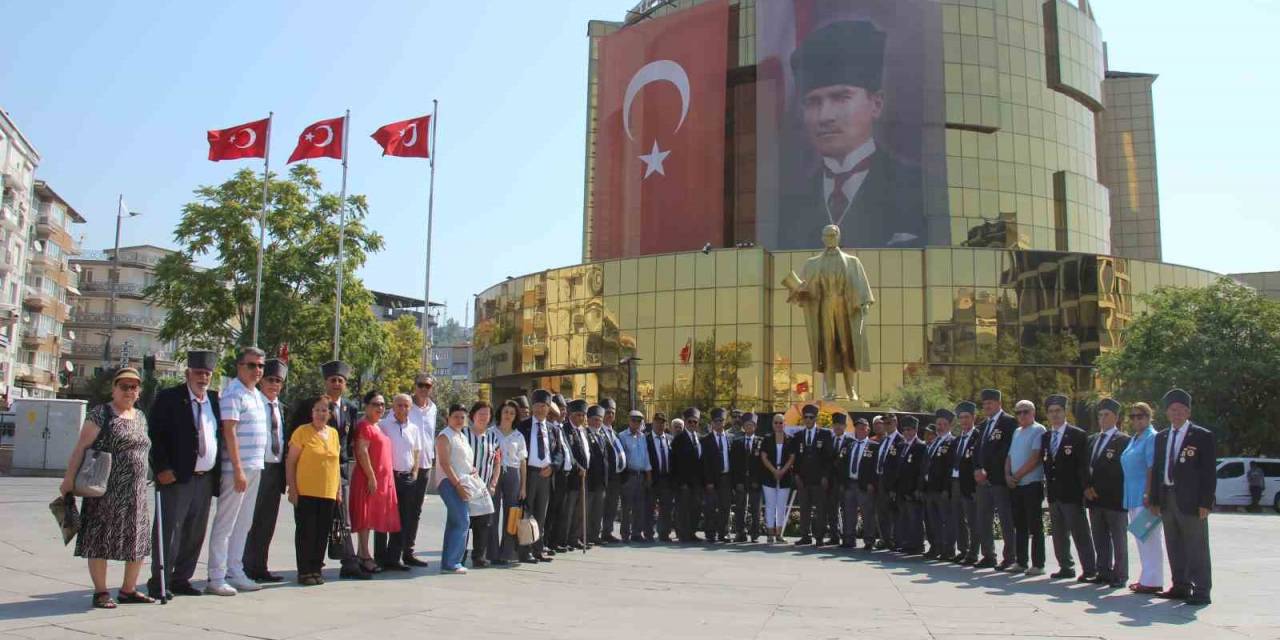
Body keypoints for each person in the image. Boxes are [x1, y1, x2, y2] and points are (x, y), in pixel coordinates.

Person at [776, 20, 926, 249]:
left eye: (840, 98)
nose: (825, 116)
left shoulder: (917, 186)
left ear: (876, 104)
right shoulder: (791, 205)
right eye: (813, 102)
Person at [60, 368, 153, 609]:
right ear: (114, 388)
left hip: (135, 492)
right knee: (99, 539)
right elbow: (81, 447)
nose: (129, 391)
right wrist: (68, 479)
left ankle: (128, 590)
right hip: (104, 490)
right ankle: (101, 592)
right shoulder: (101, 413)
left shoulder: (140, 416)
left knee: (137, 539)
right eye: (124, 386)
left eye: (134, 387)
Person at [145, 351, 221, 599]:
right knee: (170, 530)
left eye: (207, 374)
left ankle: (182, 579)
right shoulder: (169, 398)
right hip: (176, 477)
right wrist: (161, 468)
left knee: (194, 532)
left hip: (205, 477)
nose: (203, 378)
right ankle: (160, 582)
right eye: (198, 373)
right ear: (188, 373)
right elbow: (155, 435)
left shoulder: (214, 400)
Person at [290, 360, 367, 580]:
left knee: (336, 521)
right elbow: (293, 446)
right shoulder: (308, 407)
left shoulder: (350, 408)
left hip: (337, 474)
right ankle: (308, 568)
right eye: (332, 380)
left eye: (340, 380)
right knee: (308, 526)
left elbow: (348, 442)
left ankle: (341, 561)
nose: (336, 383)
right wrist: (292, 483)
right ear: (325, 382)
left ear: (345, 384)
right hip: (308, 478)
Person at [206, 347, 269, 596]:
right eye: (252, 365)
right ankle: (216, 575)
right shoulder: (233, 393)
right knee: (226, 523)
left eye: (260, 366)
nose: (257, 370)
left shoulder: (256, 395)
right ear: (239, 366)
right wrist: (238, 468)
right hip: (237, 468)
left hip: (255, 465)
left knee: (244, 523)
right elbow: (229, 431)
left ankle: (235, 570)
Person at [1150, 389, 1216, 606]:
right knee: (1174, 543)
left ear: (1188, 412)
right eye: (1172, 410)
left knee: (1196, 546)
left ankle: (1202, 590)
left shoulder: (1201, 436)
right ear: (1167, 413)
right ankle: (1180, 585)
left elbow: (1208, 473)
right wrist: (1155, 499)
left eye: (1181, 410)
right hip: (1167, 496)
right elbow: (1157, 469)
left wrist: (1206, 502)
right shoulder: (1161, 437)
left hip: (1192, 500)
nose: (1176, 413)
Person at [1041, 394, 1096, 581]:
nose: (1054, 414)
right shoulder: (1046, 436)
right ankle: (1065, 566)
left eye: (1058, 411)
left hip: (1072, 492)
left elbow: (1083, 465)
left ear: (1065, 412)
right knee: (1058, 534)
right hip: (1054, 493)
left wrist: (1086, 486)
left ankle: (1089, 569)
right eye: (1051, 411)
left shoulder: (1077, 435)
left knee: (1080, 533)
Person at [286, 396, 341, 586]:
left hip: (328, 492)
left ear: (330, 414)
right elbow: (291, 462)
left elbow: (336, 464)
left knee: (322, 533)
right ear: (311, 413)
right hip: (306, 491)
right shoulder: (302, 432)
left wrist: (338, 490)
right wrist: (292, 488)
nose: (320, 414)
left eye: (324, 410)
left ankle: (316, 569)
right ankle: (304, 571)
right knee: (306, 533)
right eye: (317, 410)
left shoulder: (333, 433)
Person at [243, 358, 288, 583]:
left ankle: (260, 566)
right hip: (255, 467)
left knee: (267, 522)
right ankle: (242, 566)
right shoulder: (253, 403)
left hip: (275, 470)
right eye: (270, 380)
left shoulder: (282, 408)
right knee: (248, 520)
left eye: (278, 381)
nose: (274, 384)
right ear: (261, 381)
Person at [349, 391, 399, 575]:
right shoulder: (364, 426)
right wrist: (371, 476)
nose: (380, 408)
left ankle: (362, 554)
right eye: (375, 404)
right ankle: (364, 556)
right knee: (364, 517)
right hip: (367, 479)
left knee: (370, 518)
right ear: (366, 406)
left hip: (380, 480)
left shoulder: (378, 426)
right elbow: (361, 452)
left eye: (382, 404)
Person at [1085, 398, 1131, 589]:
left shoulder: (1123, 440)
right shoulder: (1092, 439)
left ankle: (1120, 575)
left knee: (1118, 539)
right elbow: (1084, 466)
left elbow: (1120, 470)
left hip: (1114, 498)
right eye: (1100, 415)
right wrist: (1087, 487)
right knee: (1099, 537)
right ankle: (1103, 571)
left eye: (1107, 415)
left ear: (1116, 417)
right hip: (1094, 498)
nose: (1102, 418)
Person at [374, 394, 422, 571]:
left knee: (403, 519)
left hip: (407, 477)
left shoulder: (414, 428)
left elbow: (416, 451)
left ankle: (394, 558)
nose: (402, 409)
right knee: (382, 518)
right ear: (393, 407)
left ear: (411, 408)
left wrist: (415, 472)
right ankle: (379, 559)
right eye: (399, 405)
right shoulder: (383, 425)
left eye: (406, 406)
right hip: (388, 477)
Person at [1120, 401, 1164, 594]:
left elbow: (1151, 467)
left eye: (1141, 416)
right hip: (1132, 494)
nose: (1136, 420)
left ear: (1149, 417)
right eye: (1133, 416)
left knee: (1150, 539)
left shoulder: (1151, 437)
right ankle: (1146, 577)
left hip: (1144, 495)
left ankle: (1154, 581)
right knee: (1141, 537)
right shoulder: (1135, 438)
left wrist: (1149, 493)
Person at [973, 389, 1017, 570]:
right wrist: (977, 469)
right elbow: (977, 450)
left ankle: (1010, 557)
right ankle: (988, 555)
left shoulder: (1009, 422)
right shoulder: (983, 426)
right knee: (983, 518)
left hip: (999, 479)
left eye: (990, 403)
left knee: (1006, 519)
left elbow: (1006, 450)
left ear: (999, 403)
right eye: (984, 404)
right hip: (983, 481)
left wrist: (988, 471)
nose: (987, 406)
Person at [1005, 400, 1047, 575]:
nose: (1022, 415)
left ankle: (1038, 564)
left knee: (1035, 526)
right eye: (1018, 412)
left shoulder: (1039, 430)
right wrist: (1007, 475)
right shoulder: (1016, 432)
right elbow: (1009, 456)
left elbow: (1035, 458)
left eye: (1025, 411)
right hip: (1016, 485)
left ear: (1033, 412)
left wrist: (1016, 476)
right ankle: (1021, 562)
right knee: (1019, 525)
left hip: (1031, 483)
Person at [514, 390, 556, 562]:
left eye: (543, 406)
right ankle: (525, 551)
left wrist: (553, 466)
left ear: (548, 408)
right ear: (532, 407)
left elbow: (559, 452)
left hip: (546, 475)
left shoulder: (552, 429)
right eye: (537, 406)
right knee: (526, 513)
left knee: (541, 514)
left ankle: (538, 549)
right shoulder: (522, 426)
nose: (540, 409)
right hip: (528, 474)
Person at [435, 404, 476, 574]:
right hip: (449, 482)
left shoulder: (462, 436)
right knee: (462, 521)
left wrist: (472, 470)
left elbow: (463, 461)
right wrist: (457, 485)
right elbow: (445, 463)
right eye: (456, 417)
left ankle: (448, 562)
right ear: (448, 418)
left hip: (462, 481)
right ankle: (453, 563)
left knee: (454, 522)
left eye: (462, 417)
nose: (459, 420)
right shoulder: (445, 436)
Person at [402, 373, 436, 568]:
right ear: (414, 386)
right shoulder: (406, 405)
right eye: (421, 385)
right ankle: (394, 552)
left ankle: (409, 551)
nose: (424, 389)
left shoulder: (433, 408)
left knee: (416, 511)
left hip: (425, 465)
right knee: (402, 510)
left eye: (428, 386)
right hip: (406, 465)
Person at [464, 402, 502, 567]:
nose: (483, 417)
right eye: (480, 413)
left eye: (487, 414)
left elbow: (497, 462)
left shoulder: (493, 438)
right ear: (473, 415)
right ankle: (459, 555)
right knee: (464, 523)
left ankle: (479, 557)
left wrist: (493, 483)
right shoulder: (463, 434)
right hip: (465, 487)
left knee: (483, 524)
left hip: (484, 488)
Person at [792, 404, 833, 546]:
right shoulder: (798, 436)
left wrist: (825, 476)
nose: (808, 420)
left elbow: (829, 458)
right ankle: (805, 536)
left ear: (815, 418)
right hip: (803, 479)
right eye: (806, 417)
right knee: (804, 508)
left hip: (819, 479)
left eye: (811, 417)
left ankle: (819, 537)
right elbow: (795, 458)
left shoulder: (825, 434)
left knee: (820, 510)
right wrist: (796, 475)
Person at [494, 400, 527, 564]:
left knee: (511, 514)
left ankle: (507, 553)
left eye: (512, 413)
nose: (508, 415)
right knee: (492, 512)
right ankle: (491, 552)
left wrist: (523, 487)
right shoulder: (491, 432)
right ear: (500, 413)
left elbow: (522, 462)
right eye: (506, 412)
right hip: (494, 473)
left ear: (515, 417)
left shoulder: (518, 436)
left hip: (513, 474)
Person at [839, 417, 878, 550]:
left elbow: (875, 467)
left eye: (863, 427)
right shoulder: (849, 444)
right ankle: (849, 539)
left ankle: (869, 540)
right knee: (848, 513)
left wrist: (872, 483)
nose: (860, 430)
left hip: (864, 485)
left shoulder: (874, 446)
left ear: (868, 430)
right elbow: (842, 463)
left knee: (867, 513)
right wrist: (843, 482)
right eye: (857, 427)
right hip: (850, 483)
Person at [923, 409, 956, 559]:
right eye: (938, 424)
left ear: (949, 426)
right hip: (930, 488)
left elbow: (950, 467)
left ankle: (948, 549)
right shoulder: (934, 442)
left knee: (946, 520)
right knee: (932, 521)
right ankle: (935, 547)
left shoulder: (952, 442)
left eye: (943, 424)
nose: (940, 427)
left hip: (942, 488)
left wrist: (946, 488)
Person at [949, 402, 979, 564]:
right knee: (958, 518)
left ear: (974, 417)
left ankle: (973, 553)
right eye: (961, 418)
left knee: (972, 519)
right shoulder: (957, 439)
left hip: (969, 483)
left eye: (967, 417)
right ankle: (963, 550)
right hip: (955, 482)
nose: (964, 421)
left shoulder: (977, 437)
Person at [760, 413, 796, 543]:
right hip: (769, 475)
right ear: (772, 424)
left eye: (781, 423)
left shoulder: (790, 439)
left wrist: (782, 471)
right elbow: (764, 457)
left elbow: (792, 457)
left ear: (785, 424)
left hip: (785, 475)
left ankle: (779, 535)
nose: (778, 425)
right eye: (776, 422)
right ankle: (770, 534)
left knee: (781, 506)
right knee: (770, 505)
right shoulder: (767, 439)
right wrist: (774, 471)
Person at [893, 416, 927, 555]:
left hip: (912, 489)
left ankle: (917, 545)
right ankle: (907, 543)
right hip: (901, 489)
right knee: (904, 517)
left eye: (909, 429)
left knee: (915, 518)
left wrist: (917, 489)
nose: (906, 432)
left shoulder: (920, 446)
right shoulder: (901, 446)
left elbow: (921, 470)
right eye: (904, 430)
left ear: (915, 430)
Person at [561, 399, 592, 550]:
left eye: (583, 415)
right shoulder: (565, 430)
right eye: (578, 415)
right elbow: (568, 452)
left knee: (580, 510)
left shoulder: (583, 431)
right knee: (569, 510)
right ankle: (564, 539)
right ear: (570, 415)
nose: (581, 418)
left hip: (584, 476)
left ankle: (575, 538)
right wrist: (578, 467)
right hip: (572, 476)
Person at [617, 409, 652, 543]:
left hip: (641, 475)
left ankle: (637, 533)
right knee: (626, 506)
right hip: (628, 475)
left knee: (639, 506)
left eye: (639, 421)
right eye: (633, 420)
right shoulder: (622, 436)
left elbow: (646, 457)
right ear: (629, 421)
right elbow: (620, 457)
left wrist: (648, 476)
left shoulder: (643, 437)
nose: (636, 423)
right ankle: (625, 534)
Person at [671, 407, 706, 543]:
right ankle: (682, 533)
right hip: (684, 482)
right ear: (685, 422)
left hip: (697, 482)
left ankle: (691, 532)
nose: (692, 424)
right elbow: (675, 463)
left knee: (696, 508)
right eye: (690, 421)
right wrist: (680, 482)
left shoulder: (700, 438)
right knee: (683, 508)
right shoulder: (679, 439)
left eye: (695, 422)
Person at [701, 407, 734, 543]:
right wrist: (708, 481)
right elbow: (704, 463)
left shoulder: (731, 438)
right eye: (716, 421)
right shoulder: (705, 440)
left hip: (726, 477)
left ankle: (723, 533)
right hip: (712, 479)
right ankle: (710, 533)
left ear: (725, 422)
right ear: (712, 423)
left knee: (725, 506)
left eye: (721, 420)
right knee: (710, 507)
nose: (719, 423)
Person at [730, 412, 763, 543]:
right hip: (741, 480)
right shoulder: (737, 442)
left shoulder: (761, 441)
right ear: (743, 426)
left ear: (755, 426)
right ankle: (740, 532)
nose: (749, 427)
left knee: (756, 508)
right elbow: (734, 464)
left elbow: (762, 464)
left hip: (755, 481)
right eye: (747, 425)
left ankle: (755, 533)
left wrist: (757, 480)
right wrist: (737, 481)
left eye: (751, 425)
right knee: (740, 508)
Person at [598, 398, 626, 543]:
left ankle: (607, 532)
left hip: (616, 476)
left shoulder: (614, 432)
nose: (610, 415)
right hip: (605, 476)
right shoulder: (599, 431)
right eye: (607, 412)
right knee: (601, 506)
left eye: (612, 413)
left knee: (612, 505)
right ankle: (596, 533)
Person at [871, 413, 901, 550]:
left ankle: (894, 540)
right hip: (880, 479)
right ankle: (885, 539)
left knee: (892, 513)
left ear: (895, 423)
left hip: (891, 481)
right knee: (881, 512)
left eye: (889, 423)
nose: (886, 426)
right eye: (885, 423)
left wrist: (894, 486)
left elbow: (898, 465)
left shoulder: (900, 440)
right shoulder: (884, 440)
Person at [646, 415, 676, 542]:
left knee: (666, 508)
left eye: (662, 423)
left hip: (667, 479)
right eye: (657, 422)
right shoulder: (646, 439)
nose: (660, 425)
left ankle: (664, 533)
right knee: (650, 507)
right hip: (652, 478)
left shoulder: (670, 439)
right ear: (653, 423)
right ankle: (648, 533)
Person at [583, 405, 610, 546]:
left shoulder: (602, 435)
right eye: (595, 419)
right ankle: (585, 536)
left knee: (598, 510)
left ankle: (595, 535)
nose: (597, 422)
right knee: (587, 510)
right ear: (588, 420)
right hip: (590, 479)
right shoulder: (585, 434)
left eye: (600, 420)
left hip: (601, 480)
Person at [824, 413, 848, 543]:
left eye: (841, 425)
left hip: (844, 482)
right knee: (832, 509)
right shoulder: (829, 440)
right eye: (836, 424)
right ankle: (834, 536)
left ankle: (847, 537)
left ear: (845, 426)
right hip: (831, 481)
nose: (838, 427)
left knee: (846, 510)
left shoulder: (850, 442)